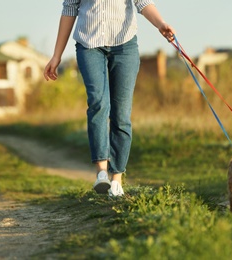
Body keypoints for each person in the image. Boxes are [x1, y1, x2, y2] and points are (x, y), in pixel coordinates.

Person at [44, 0, 176, 196]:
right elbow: (70, 9)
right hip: (89, 45)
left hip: (125, 46)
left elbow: (143, 2)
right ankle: (102, 173)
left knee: (121, 113)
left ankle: (116, 179)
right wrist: (57, 55)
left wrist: (161, 24)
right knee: (98, 102)